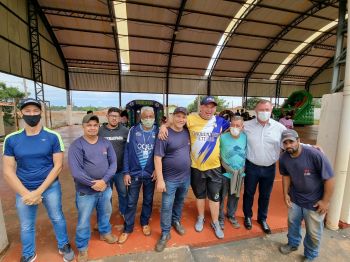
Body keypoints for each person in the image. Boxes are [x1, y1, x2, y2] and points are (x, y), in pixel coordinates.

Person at [2, 98, 74, 262]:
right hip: (24, 189)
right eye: (27, 111)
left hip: (50, 187)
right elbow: (7, 171)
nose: (32, 114)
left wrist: (38, 192)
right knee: (26, 225)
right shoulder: (12, 139)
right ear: (21, 113)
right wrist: (26, 194)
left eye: (35, 111)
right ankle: (28, 254)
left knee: (57, 217)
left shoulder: (52, 136)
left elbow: (57, 166)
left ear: (41, 113)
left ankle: (63, 245)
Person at [159, 96, 230, 239]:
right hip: (196, 167)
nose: (209, 110)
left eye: (212, 107)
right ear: (201, 107)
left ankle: (215, 222)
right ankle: (201, 217)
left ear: (215, 109)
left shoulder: (221, 121)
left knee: (215, 198)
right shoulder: (191, 119)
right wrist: (162, 126)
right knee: (200, 195)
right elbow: (174, 121)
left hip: (214, 167)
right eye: (206, 106)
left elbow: (236, 126)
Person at [278, 129, 334, 261]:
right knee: (292, 223)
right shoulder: (284, 158)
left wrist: (325, 202)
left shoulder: (315, 155)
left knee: (313, 232)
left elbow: (330, 179)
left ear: (298, 141)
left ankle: (310, 255)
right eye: (285, 143)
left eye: (291, 141)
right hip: (295, 199)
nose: (288, 145)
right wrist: (285, 193)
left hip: (314, 202)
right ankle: (292, 244)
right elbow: (285, 176)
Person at [68, 114, 118, 262]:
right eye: (89, 125)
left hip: (105, 188)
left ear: (98, 127)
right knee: (83, 220)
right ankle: (82, 248)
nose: (92, 128)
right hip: (86, 192)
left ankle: (105, 232)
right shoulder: (77, 145)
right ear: (83, 126)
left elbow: (113, 163)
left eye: (95, 125)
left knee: (106, 212)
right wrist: (94, 184)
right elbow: (76, 172)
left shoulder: (105, 143)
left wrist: (104, 181)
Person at [243, 99, 286, 234]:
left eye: (267, 110)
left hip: (269, 168)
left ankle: (262, 218)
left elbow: (291, 143)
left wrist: (310, 147)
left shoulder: (279, 128)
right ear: (255, 111)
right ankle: (248, 216)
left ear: (271, 110)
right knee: (249, 193)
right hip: (251, 167)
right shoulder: (246, 125)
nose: (264, 112)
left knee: (265, 195)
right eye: (261, 110)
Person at [118, 106, 158, 244]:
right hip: (134, 174)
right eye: (145, 116)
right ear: (141, 117)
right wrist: (126, 172)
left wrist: (157, 170)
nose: (148, 119)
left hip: (150, 174)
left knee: (148, 200)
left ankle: (145, 223)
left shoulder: (158, 131)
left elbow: (162, 153)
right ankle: (128, 228)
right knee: (131, 202)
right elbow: (127, 152)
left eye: (150, 116)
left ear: (154, 117)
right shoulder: (133, 131)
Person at [154, 107, 191, 252]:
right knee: (166, 206)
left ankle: (176, 220)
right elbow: (157, 157)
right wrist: (160, 179)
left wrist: (163, 124)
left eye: (184, 117)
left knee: (180, 201)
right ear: (172, 117)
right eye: (178, 116)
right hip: (169, 179)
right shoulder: (164, 134)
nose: (181, 119)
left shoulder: (187, 132)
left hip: (185, 177)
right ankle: (165, 233)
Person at [99, 107, 129, 219]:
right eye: (112, 116)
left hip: (120, 171)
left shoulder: (125, 131)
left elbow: (129, 150)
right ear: (107, 116)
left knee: (123, 193)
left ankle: (124, 211)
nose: (114, 118)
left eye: (116, 116)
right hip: (105, 172)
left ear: (120, 118)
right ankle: (106, 215)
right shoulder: (100, 131)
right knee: (106, 195)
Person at [218, 116, 247, 230]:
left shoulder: (245, 138)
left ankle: (231, 215)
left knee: (234, 196)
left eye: (237, 126)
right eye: (232, 125)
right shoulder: (222, 137)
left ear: (242, 127)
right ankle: (220, 218)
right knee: (221, 196)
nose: (234, 128)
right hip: (225, 172)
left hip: (239, 173)